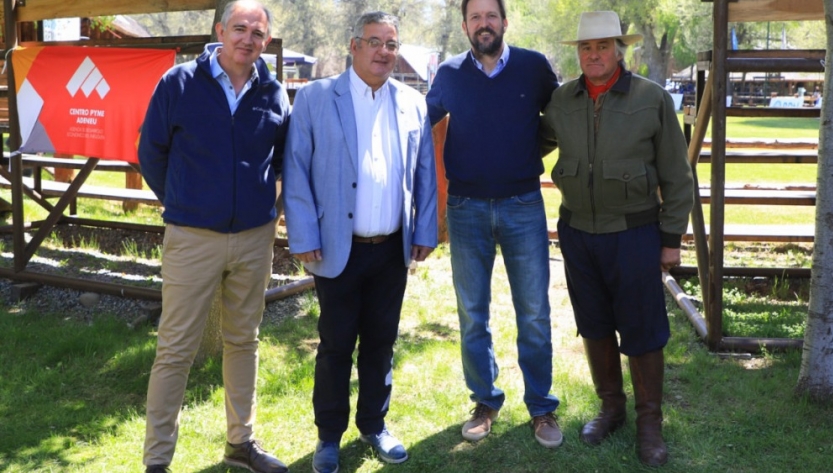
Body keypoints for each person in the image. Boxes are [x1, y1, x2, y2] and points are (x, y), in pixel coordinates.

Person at [282, 11, 437, 473]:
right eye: (374, 42)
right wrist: (304, 234)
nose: (383, 52)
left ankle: (375, 424)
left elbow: (425, 174)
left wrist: (424, 230)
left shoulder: (413, 102)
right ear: (354, 46)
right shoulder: (314, 98)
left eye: (391, 44)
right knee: (335, 345)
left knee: (381, 343)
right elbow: (296, 170)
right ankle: (329, 436)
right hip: (335, 248)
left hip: (391, 249)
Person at [137, 1, 290, 472]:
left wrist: (269, 212)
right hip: (192, 237)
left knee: (244, 341)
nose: (248, 39)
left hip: (254, 238)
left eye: (258, 33)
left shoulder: (274, 92)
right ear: (219, 30)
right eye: (239, 29)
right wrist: (182, 202)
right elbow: (151, 151)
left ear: (266, 40)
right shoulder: (179, 83)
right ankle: (158, 460)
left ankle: (240, 443)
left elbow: (282, 161)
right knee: (175, 348)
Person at [541, 10, 694, 467]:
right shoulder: (562, 100)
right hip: (578, 233)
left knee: (643, 329)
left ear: (618, 50)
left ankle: (650, 423)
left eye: (603, 46)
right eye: (586, 48)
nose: (594, 54)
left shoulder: (651, 99)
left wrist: (670, 239)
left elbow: (677, 174)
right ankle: (612, 408)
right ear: (579, 54)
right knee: (593, 324)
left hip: (634, 233)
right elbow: (532, 143)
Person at [425, 0, 563, 449]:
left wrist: (527, 153)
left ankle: (542, 407)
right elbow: (416, 126)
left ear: (505, 22)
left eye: (491, 16)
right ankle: (485, 401)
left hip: (523, 203)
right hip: (466, 208)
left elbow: (561, 120)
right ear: (465, 25)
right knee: (472, 313)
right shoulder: (448, 74)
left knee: (535, 312)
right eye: (475, 17)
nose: (483, 24)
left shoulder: (534, 68)